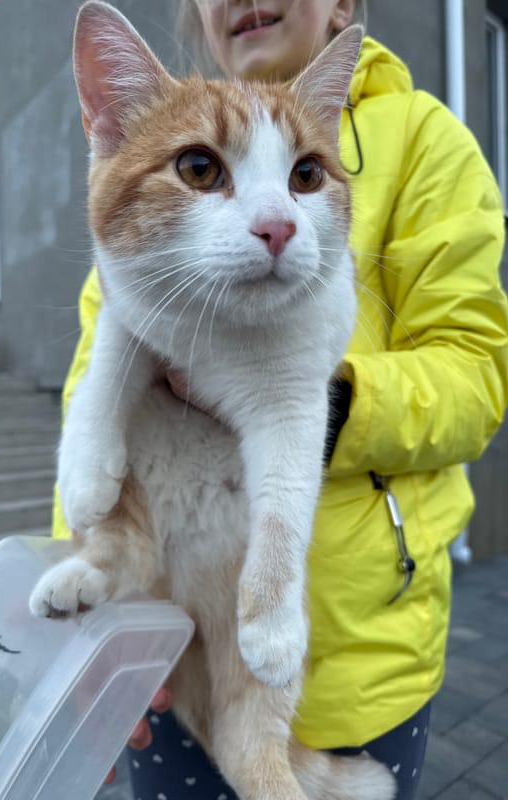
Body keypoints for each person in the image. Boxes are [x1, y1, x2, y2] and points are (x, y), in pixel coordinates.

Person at [52, 1, 508, 798]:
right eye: (202, 170)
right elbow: (94, 393)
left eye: (306, 175)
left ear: (343, 5)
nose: (274, 224)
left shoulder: (427, 138)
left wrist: (332, 405)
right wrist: (92, 593)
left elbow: (476, 372)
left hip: (365, 666)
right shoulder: (159, 130)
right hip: (161, 649)